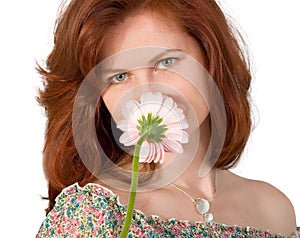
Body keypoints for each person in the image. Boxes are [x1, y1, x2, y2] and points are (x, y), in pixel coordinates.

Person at [36, 0, 299, 237]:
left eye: (166, 62)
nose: (148, 93)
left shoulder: (273, 208)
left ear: (211, 59)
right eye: (119, 76)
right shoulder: (91, 215)